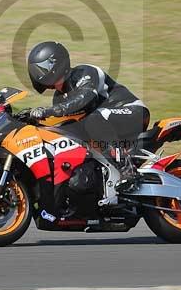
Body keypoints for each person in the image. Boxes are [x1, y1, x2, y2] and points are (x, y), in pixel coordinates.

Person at [26, 41, 149, 186]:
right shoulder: (58, 98)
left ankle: (126, 169)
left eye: (41, 69)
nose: (38, 73)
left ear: (53, 64)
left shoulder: (85, 72)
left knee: (93, 119)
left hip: (131, 111)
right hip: (104, 127)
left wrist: (49, 111)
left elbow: (85, 99)